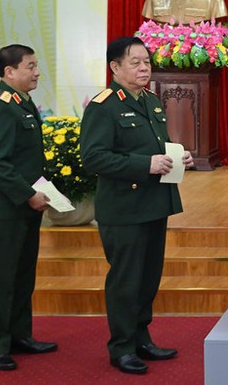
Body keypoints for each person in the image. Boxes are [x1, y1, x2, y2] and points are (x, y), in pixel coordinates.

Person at [80, 37, 194, 375]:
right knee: (126, 280)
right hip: (124, 208)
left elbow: (155, 144)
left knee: (148, 278)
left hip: (153, 203)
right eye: (136, 62)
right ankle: (121, 347)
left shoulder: (150, 100)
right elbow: (94, 158)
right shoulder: (103, 106)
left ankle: (142, 338)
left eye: (147, 61)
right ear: (115, 67)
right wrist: (145, 164)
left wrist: (177, 155)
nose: (144, 68)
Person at [0, 44, 58, 371]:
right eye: (30, 66)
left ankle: (19, 335)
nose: (37, 72)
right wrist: (27, 194)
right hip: (3, 210)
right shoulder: (0, 106)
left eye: (36, 65)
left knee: (22, 276)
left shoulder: (21, 103)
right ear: (9, 72)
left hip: (25, 205)